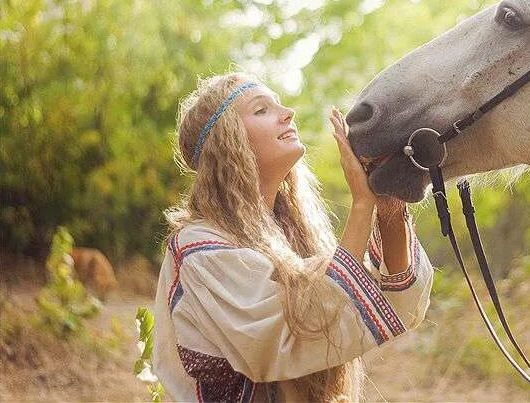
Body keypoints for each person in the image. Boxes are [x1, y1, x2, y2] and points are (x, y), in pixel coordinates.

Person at [152, 72, 433, 402]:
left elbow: (394, 300)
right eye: (261, 110)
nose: (288, 113)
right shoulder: (199, 248)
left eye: (279, 105)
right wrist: (361, 205)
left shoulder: (292, 243)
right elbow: (279, 341)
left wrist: (388, 202)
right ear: (228, 144)